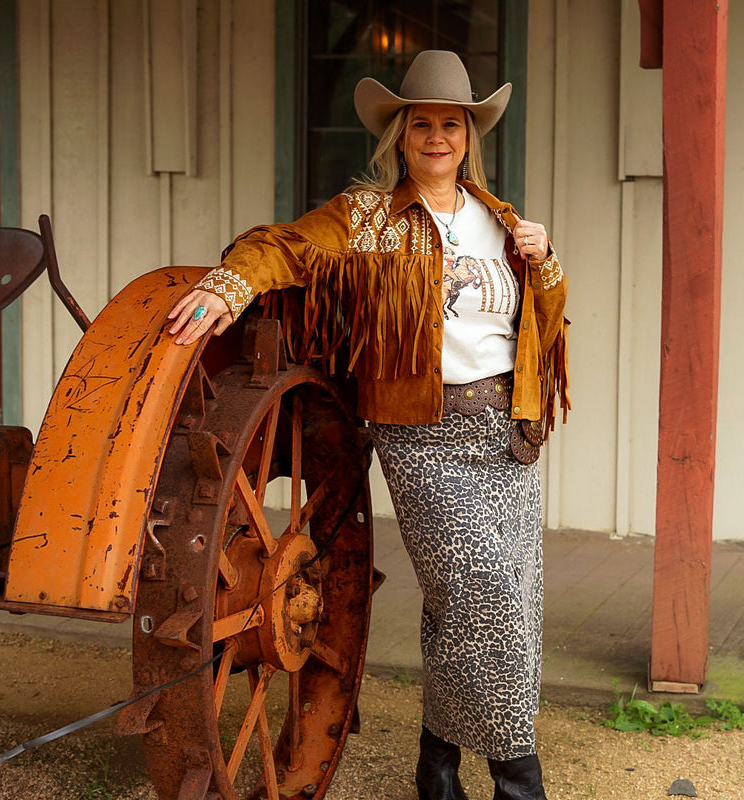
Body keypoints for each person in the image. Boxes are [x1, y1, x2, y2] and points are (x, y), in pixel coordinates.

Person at [168, 50, 568, 800]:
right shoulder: (367, 219)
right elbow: (284, 246)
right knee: (484, 595)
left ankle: (437, 766)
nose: (438, 136)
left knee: (498, 600)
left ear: (469, 134)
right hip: (423, 437)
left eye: (452, 123)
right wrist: (230, 286)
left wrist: (544, 266)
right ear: (401, 133)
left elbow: (543, 323)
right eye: (423, 123)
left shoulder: (501, 220)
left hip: (506, 436)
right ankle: (521, 782)